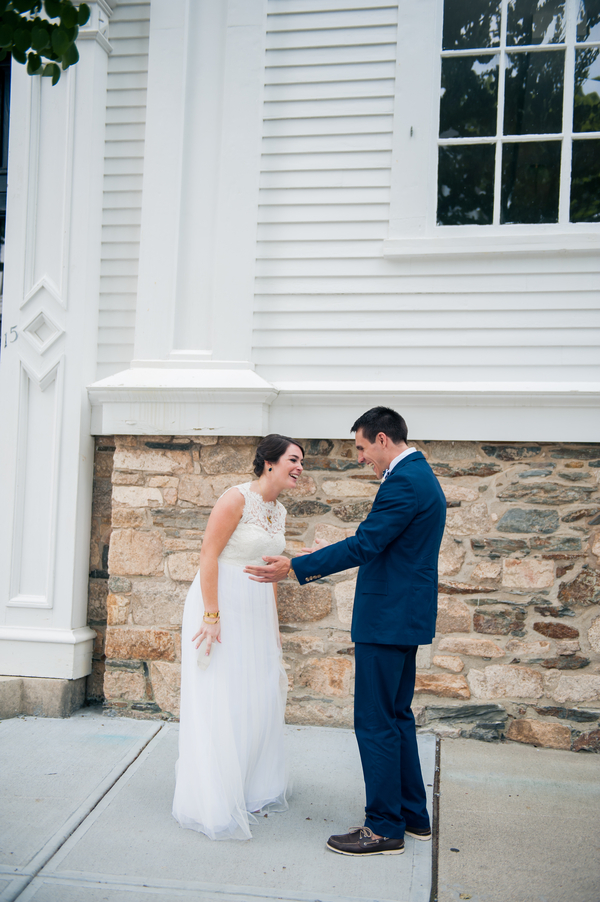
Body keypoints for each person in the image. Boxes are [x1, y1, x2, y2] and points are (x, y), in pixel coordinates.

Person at [245, 407, 446, 856]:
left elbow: (367, 543)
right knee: (396, 718)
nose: (359, 458)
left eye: (359, 448)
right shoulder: (419, 475)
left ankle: (383, 827)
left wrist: (298, 566)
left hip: (387, 620)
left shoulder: (403, 482)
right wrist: (330, 551)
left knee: (375, 722)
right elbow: (380, 542)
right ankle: (412, 815)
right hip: (403, 618)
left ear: (380, 439)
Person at [172, 434, 305, 840]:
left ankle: (249, 786)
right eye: (294, 459)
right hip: (220, 602)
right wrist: (212, 615)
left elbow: (270, 571)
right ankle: (211, 796)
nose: (300, 467)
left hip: (256, 609)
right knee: (221, 695)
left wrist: (275, 626)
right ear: (269, 462)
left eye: (301, 461)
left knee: (257, 693)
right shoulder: (236, 499)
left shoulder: (278, 511)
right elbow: (208, 554)